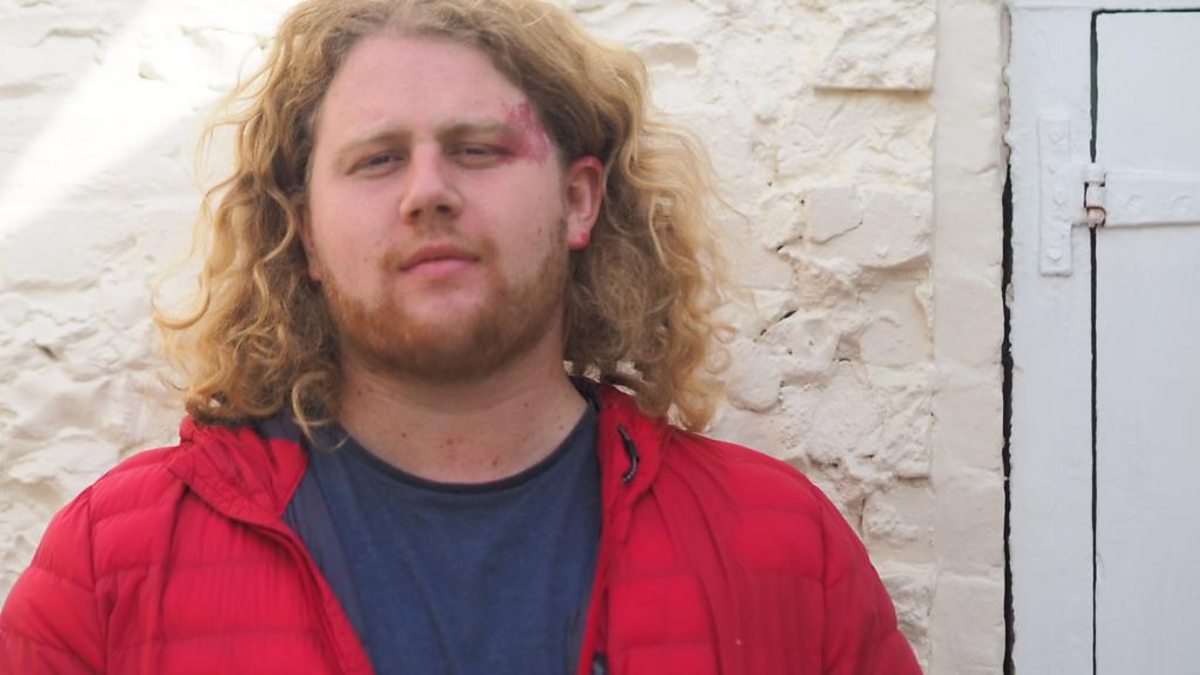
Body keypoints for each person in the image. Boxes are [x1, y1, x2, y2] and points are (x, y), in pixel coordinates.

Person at [0, 0, 922, 673]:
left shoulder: (783, 549)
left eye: (478, 149)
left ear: (578, 200)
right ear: (306, 233)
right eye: (377, 159)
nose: (428, 192)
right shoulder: (114, 561)